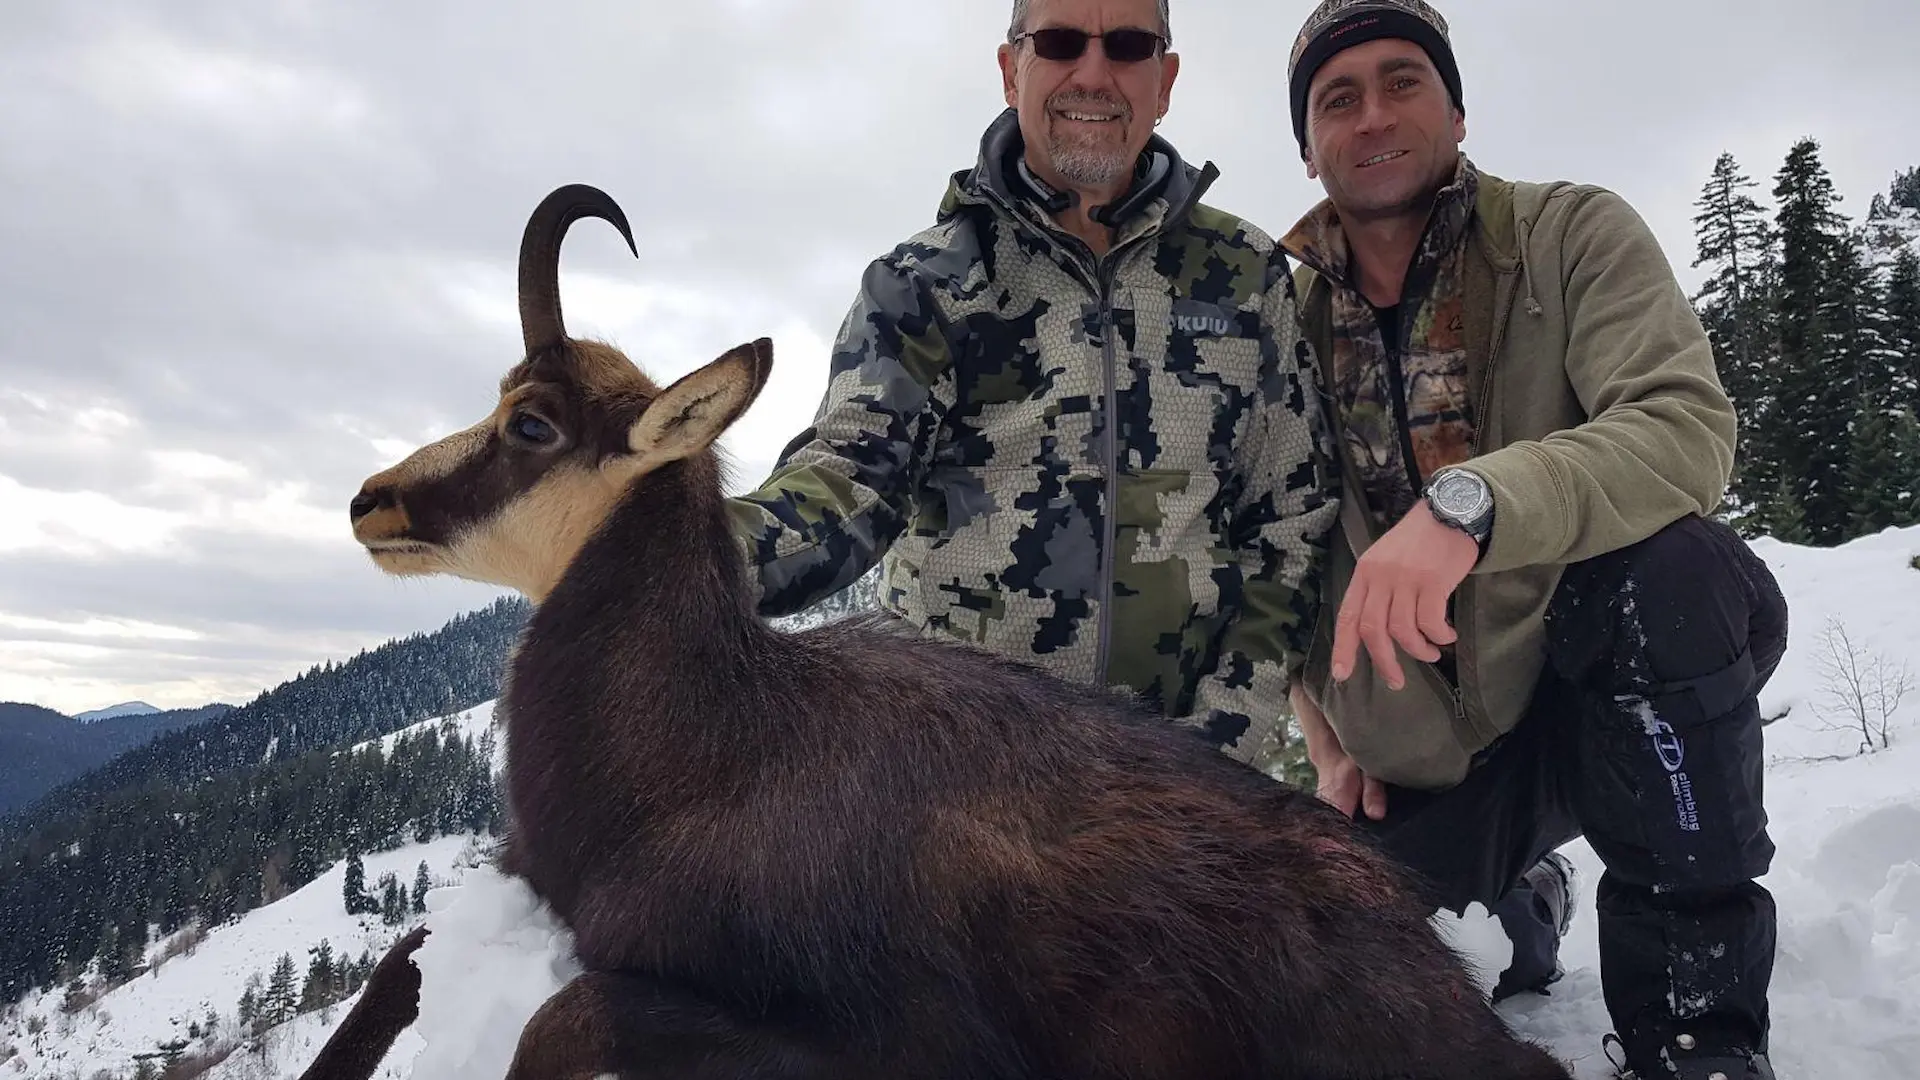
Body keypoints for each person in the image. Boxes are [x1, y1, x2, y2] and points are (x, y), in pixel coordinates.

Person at [1278, 3, 1789, 1078]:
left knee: (1674, 570)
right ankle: (1524, 908)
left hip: (1601, 682)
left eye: (1403, 80)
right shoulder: (1279, 327)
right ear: (1308, 141)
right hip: (1424, 754)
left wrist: (1470, 507)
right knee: (1340, 966)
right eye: (1339, 97)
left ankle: (1695, 1029)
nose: (1374, 115)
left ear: (1457, 110)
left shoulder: (1568, 235)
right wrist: (1326, 738)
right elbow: (1267, 547)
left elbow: (1682, 428)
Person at [727, 0, 1338, 767]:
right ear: (1012, 71)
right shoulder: (926, 283)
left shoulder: (1245, 276)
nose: (1093, 72)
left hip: (1184, 788)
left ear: (1166, 78)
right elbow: (852, 481)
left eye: (1126, 45)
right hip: (956, 781)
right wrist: (690, 547)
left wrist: (1225, 736)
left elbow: (1289, 516)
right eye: (1058, 42)